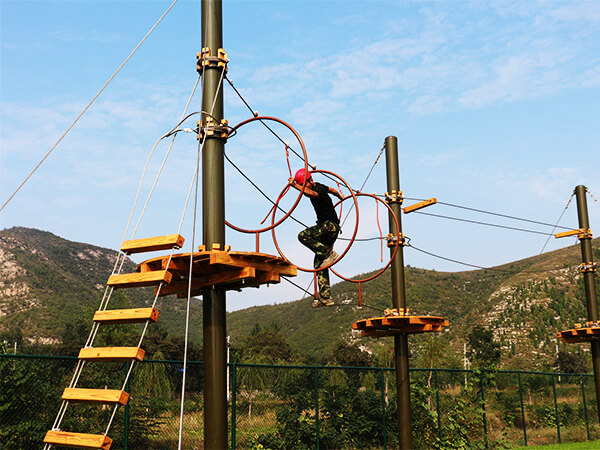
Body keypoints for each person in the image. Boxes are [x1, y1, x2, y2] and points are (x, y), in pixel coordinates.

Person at [289, 168, 343, 307]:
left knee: (303, 236)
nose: (302, 187)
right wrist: (340, 196)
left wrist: (295, 186)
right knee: (319, 264)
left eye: (303, 184)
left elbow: (311, 193)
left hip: (329, 227)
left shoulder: (316, 190)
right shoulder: (321, 186)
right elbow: (332, 189)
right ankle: (326, 297)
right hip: (329, 228)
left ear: (309, 180)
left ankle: (328, 253)